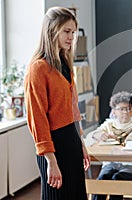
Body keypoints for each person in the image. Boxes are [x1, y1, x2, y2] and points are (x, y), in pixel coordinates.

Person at [24, 7, 90, 200]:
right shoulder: (38, 68)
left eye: (73, 32)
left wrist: (81, 144)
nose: (72, 37)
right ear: (52, 30)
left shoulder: (64, 63)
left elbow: (73, 109)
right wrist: (50, 160)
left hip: (71, 139)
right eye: (67, 31)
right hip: (54, 146)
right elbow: (37, 118)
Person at [90, 91, 132, 200]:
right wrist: (99, 135)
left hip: (131, 165)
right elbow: (92, 135)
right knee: (103, 179)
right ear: (114, 111)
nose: (126, 112)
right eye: (122, 109)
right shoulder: (109, 125)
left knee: (117, 179)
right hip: (111, 163)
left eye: (129, 108)